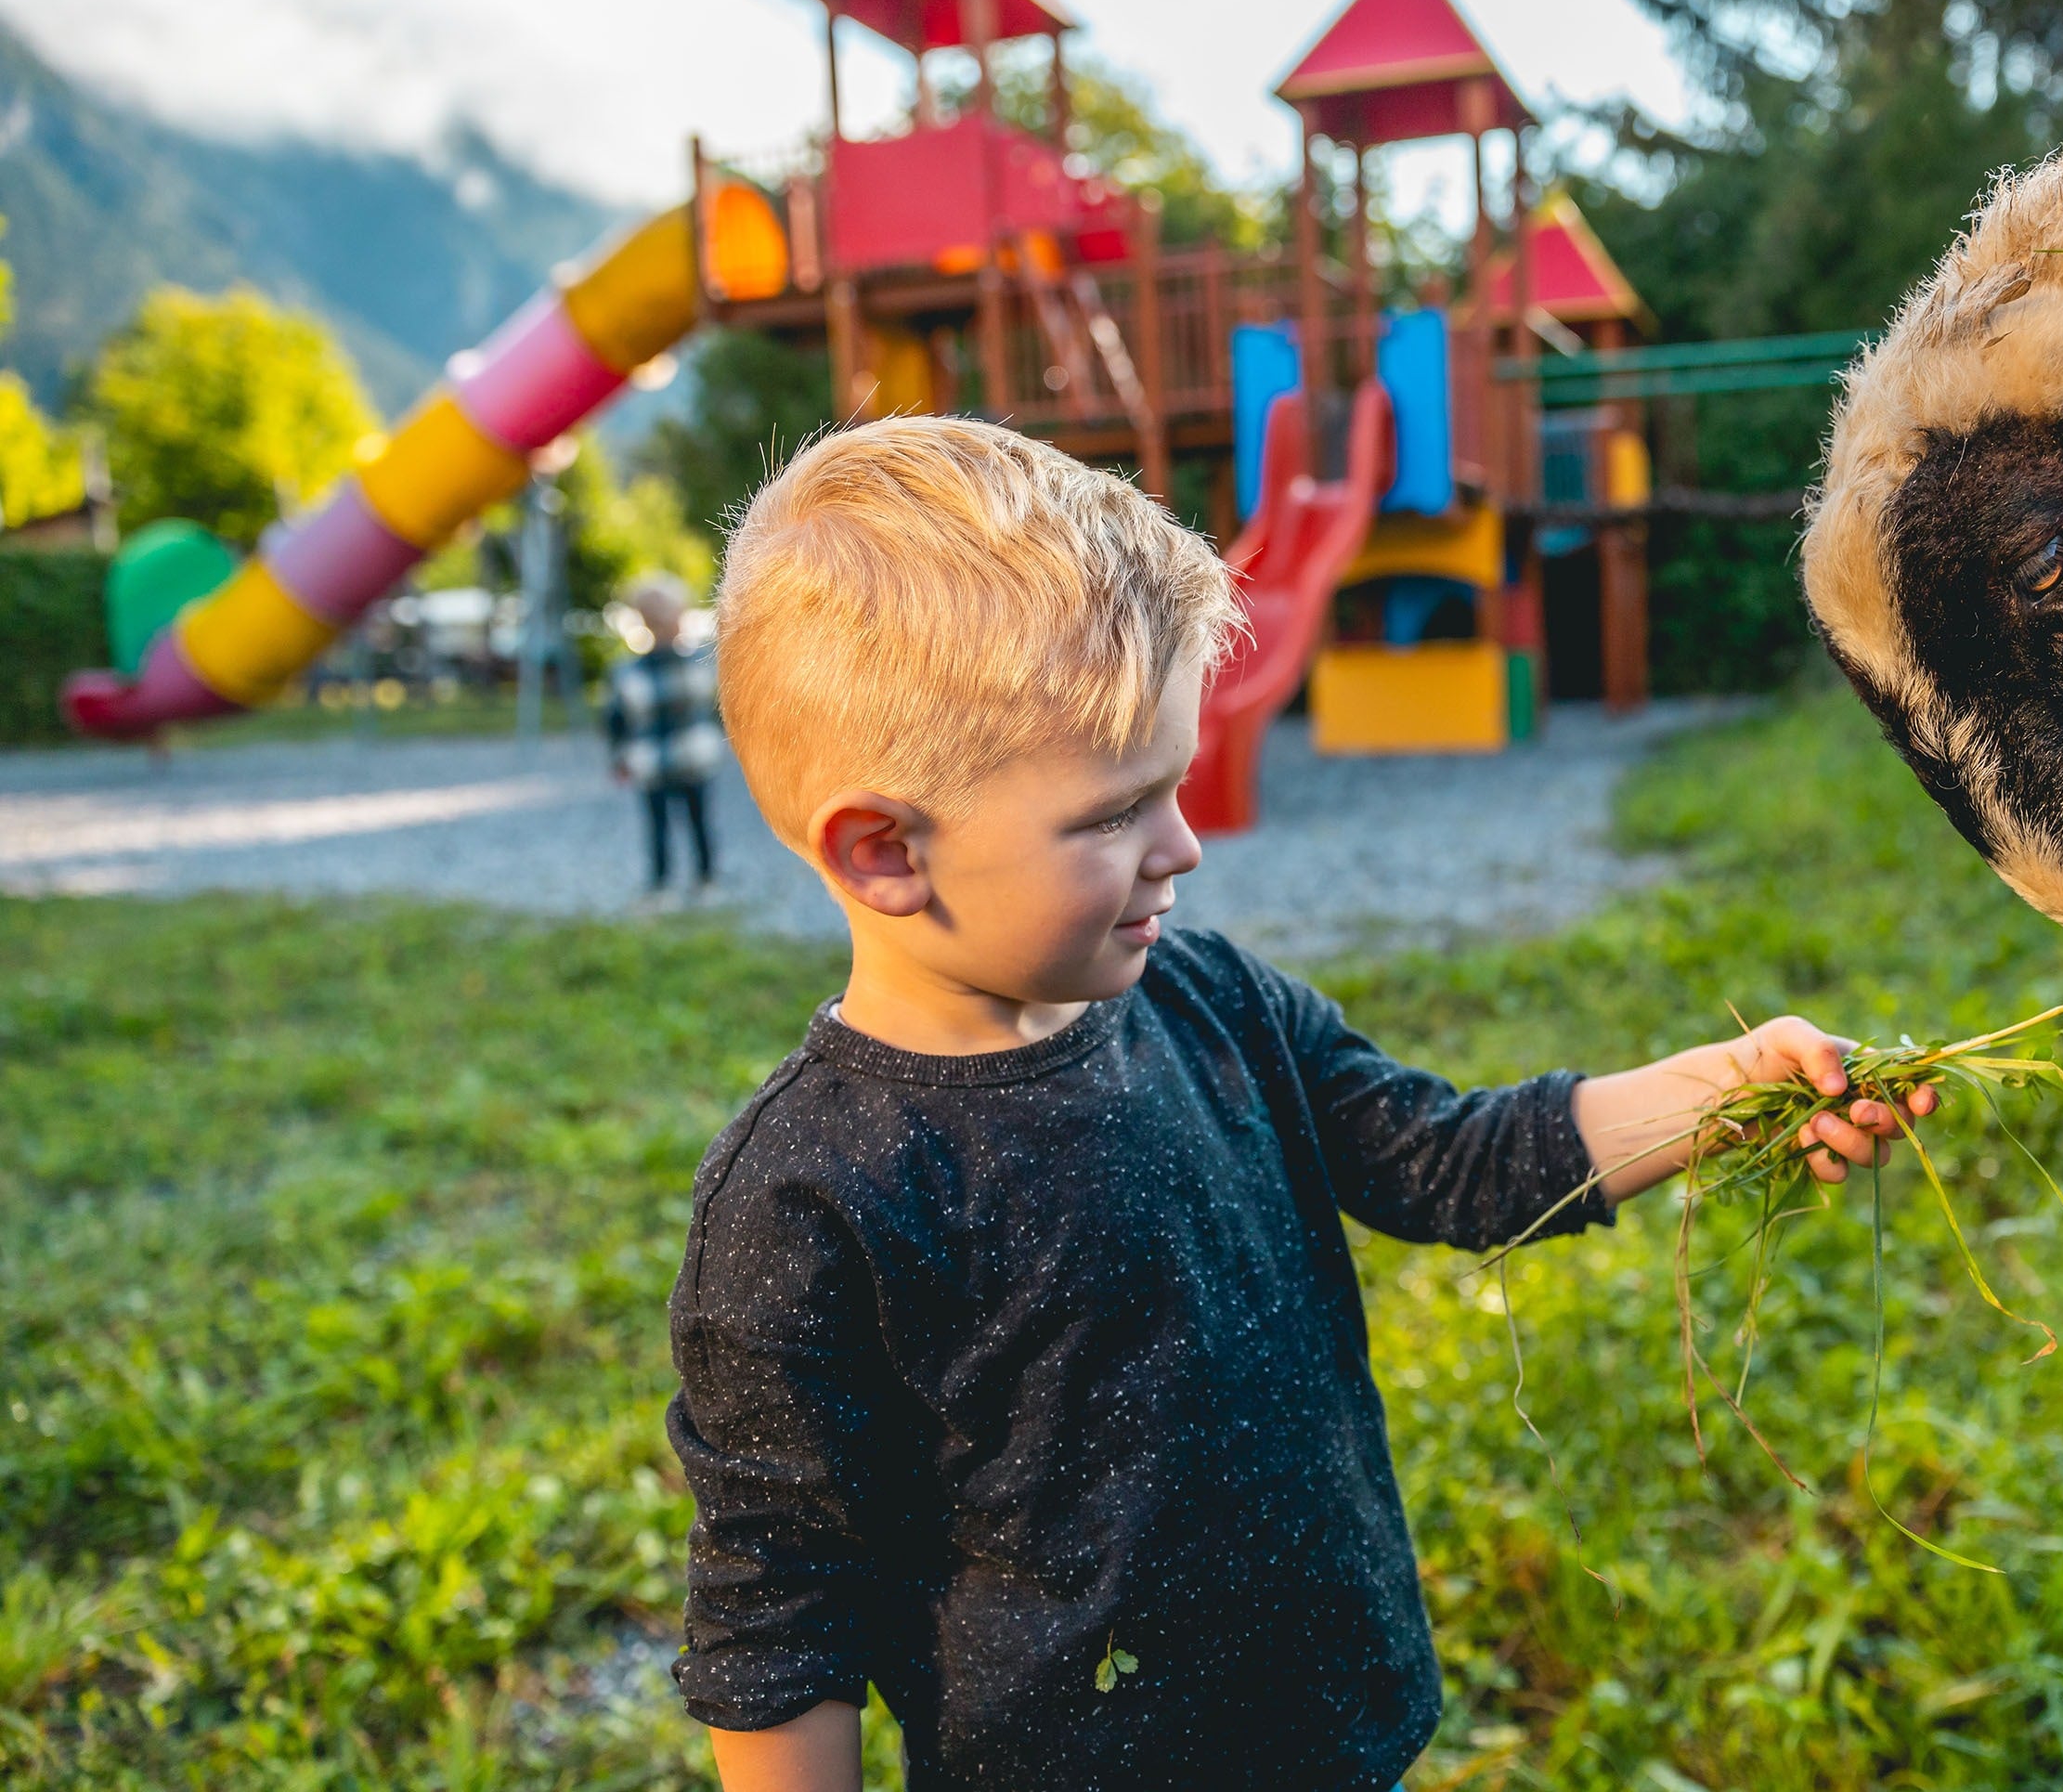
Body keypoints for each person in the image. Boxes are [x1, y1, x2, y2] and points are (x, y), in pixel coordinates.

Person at [668, 418, 1936, 1792]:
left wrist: (1724, 1090)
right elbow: (778, 1617)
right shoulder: (807, 1202)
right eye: (1116, 813)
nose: (1184, 845)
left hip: (1337, 1729)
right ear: (885, 852)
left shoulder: (1217, 1007)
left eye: (1177, 781)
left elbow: (1455, 1161)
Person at [604, 571, 725, 896]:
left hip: (688, 758)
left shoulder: (698, 662)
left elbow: (716, 708)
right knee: (662, 824)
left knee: (694, 821)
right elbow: (616, 721)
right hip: (657, 762)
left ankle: (703, 877)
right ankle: (667, 881)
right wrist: (619, 758)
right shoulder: (632, 671)